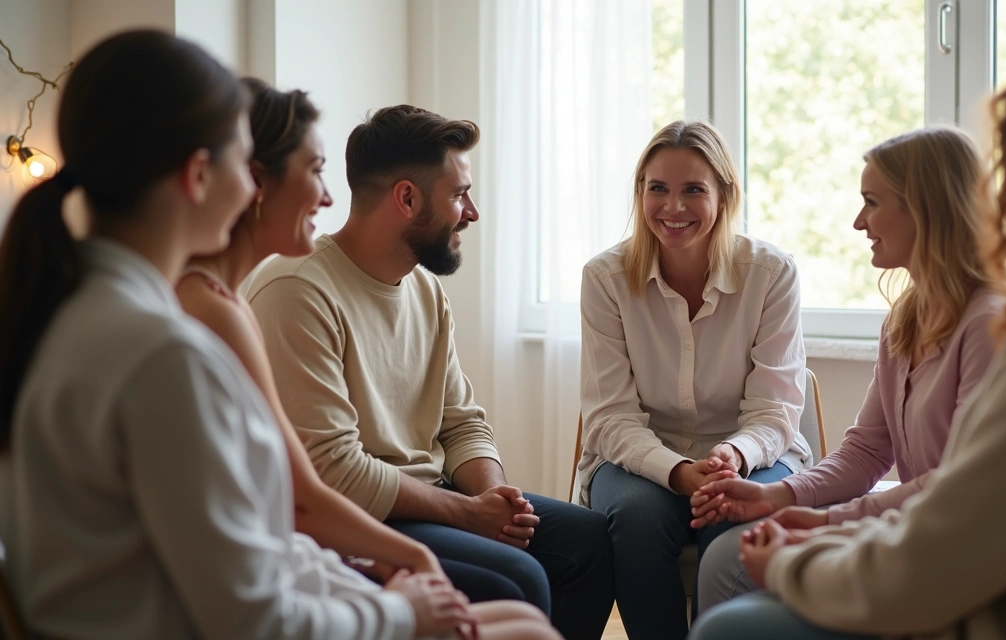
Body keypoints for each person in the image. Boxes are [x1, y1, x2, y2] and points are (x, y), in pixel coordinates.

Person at [0, 29, 558, 640]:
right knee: (521, 624)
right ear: (199, 175)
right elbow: (251, 610)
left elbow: (260, 540)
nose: (256, 190)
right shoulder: (165, 355)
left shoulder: (85, 314)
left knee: (517, 616)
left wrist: (392, 582)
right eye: (246, 165)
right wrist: (401, 611)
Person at [688, 44, 1006, 640]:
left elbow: (941, 551)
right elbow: (912, 481)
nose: (1002, 200)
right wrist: (790, 500)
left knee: (733, 622)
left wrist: (797, 555)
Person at [174, 78, 557, 640]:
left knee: (572, 553)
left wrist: (491, 500)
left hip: (324, 540)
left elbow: (459, 423)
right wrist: (408, 567)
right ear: (249, 184)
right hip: (305, 551)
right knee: (519, 596)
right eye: (316, 171)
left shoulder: (221, 304)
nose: (329, 198)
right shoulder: (269, 296)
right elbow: (306, 496)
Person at [243, 104, 614, 640]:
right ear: (407, 198)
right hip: (359, 517)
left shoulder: (424, 289)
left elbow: (461, 422)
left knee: (588, 541)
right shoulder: (297, 290)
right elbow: (335, 472)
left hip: (429, 497)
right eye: (460, 193)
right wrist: (469, 516)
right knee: (517, 578)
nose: (473, 212)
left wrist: (496, 502)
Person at [692, 126, 1003, 614]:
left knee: (733, 569)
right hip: (914, 526)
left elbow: (956, 482)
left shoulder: (988, 325)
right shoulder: (904, 319)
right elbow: (866, 451)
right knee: (727, 554)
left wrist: (825, 522)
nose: (860, 223)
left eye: (872, 202)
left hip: (961, 546)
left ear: (926, 208)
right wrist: (776, 494)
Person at [577, 120, 811, 639]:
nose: (672, 207)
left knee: (734, 515)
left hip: (754, 457)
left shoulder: (771, 274)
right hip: (639, 458)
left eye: (693, 190)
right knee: (636, 520)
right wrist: (679, 471)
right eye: (657, 188)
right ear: (639, 193)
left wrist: (735, 455)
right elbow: (609, 416)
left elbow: (775, 409)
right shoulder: (605, 279)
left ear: (725, 196)